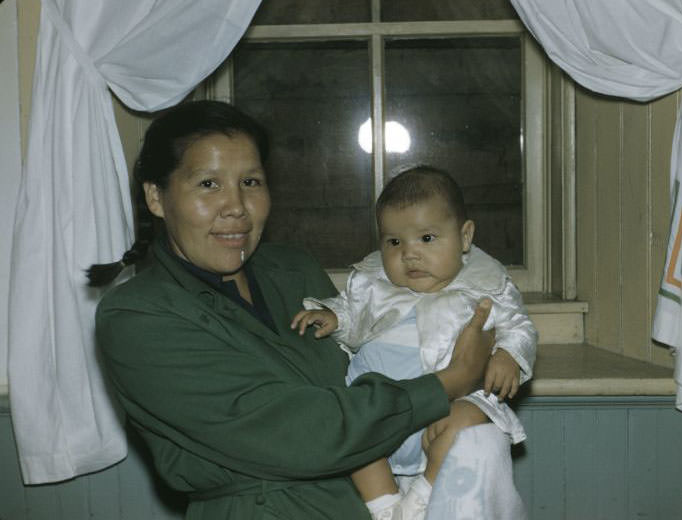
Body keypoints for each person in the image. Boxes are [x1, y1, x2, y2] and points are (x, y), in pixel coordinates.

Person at [89, 100, 496, 520]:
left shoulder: (293, 270)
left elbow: (362, 372)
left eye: (250, 181)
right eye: (208, 184)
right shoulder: (138, 316)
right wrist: (451, 379)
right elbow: (305, 433)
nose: (236, 206)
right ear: (156, 197)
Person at [291, 165, 538, 520]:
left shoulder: (487, 286)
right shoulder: (374, 285)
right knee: (351, 429)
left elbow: (519, 326)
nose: (409, 253)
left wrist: (509, 354)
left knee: (469, 418)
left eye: (427, 238)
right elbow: (351, 311)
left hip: (444, 406)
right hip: (378, 405)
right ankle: (386, 506)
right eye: (394, 242)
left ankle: (422, 494)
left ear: (464, 237)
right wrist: (334, 317)